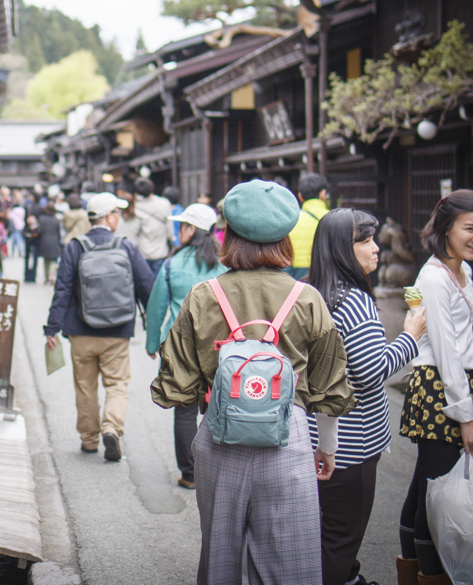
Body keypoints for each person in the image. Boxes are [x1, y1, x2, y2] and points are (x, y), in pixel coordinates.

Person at [151, 179, 355, 585]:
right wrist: (326, 447)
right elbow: (331, 383)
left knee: (220, 559)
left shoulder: (202, 295)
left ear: (229, 236)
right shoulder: (307, 297)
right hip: (289, 437)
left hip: (220, 436)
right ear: (285, 239)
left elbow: (177, 386)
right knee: (290, 565)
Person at [308, 209, 427, 585]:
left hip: (316, 435)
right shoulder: (354, 302)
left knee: (322, 534)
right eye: (365, 241)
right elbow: (372, 371)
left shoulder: (314, 293)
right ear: (343, 249)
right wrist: (411, 336)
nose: (376, 249)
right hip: (352, 443)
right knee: (340, 540)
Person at [397, 189, 473, 585]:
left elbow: (466, 337)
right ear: (446, 227)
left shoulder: (462, 271)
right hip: (442, 386)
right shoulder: (434, 277)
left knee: (425, 486)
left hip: (450, 384)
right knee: (437, 497)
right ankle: (432, 576)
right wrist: (467, 417)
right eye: (470, 228)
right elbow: (448, 352)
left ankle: (413, 574)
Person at [44, 192, 155, 462]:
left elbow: (62, 290)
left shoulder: (75, 247)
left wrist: (52, 328)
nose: (118, 217)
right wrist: (153, 325)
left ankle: (89, 440)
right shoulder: (125, 246)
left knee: (85, 386)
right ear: (108, 217)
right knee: (117, 384)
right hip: (117, 332)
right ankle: (111, 428)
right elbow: (147, 286)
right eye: (116, 213)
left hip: (80, 331)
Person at [145, 204, 226, 490]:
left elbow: (156, 308)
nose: (179, 232)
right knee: (220, 407)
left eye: (182, 227)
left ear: (191, 230)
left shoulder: (172, 264)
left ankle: (190, 474)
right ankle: (217, 471)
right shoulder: (224, 263)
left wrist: (152, 343)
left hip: (181, 348)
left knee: (184, 411)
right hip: (220, 348)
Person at [287, 173, 331, 279]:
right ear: (323, 193)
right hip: (326, 273)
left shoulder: (292, 220)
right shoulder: (333, 219)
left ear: (300, 196)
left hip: (298, 275)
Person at [134, 176, 172, 275]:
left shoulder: (137, 207)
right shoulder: (164, 204)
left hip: (143, 252)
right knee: (158, 283)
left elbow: (135, 230)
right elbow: (169, 230)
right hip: (160, 251)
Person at [38, 203, 64, 284]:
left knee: (45, 260)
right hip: (54, 241)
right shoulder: (56, 220)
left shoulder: (41, 218)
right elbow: (58, 233)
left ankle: (46, 277)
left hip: (44, 240)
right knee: (53, 260)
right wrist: (60, 244)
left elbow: (39, 230)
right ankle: (51, 276)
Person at [23, 204, 42, 282]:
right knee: (34, 257)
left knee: (27, 257)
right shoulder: (39, 212)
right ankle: (33, 275)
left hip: (28, 237)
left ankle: (27, 275)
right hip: (35, 238)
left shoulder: (28, 215)